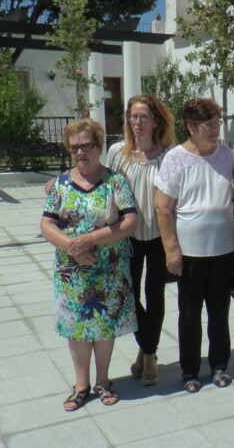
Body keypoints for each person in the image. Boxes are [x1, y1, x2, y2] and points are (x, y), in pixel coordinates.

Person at [40, 118, 138, 411]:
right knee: (77, 329)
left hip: (108, 271)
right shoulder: (60, 184)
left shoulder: (115, 182)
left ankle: (103, 381)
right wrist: (72, 246)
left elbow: (130, 221)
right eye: (75, 148)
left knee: (104, 328)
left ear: (99, 147)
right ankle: (81, 385)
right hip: (72, 273)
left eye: (86, 146)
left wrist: (91, 240)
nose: (81, 152)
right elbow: (46, 223)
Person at [154, 98, 234, 393]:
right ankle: (189, 371)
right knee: (189, 314)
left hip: (224, 249)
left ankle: (219, 365)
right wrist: (171, 249)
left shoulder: (227, 155)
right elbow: (163, 208)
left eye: (217, 123)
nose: (215, 129)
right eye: (209, 124)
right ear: (190, 127)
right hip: (189, 253)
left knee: (220, 312)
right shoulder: (175, 158)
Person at [104, 94, 176, 386]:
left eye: (143, 117)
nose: (137, 123)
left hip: (159, 236)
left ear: (156, 120)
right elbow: (103, 185)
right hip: (128, 237)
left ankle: (148, 355)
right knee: (129, 297)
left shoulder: (169, 155)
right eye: (133, 117)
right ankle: (147, 349)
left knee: (155, 296)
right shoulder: (117, 152)